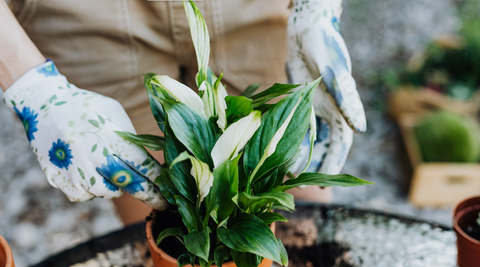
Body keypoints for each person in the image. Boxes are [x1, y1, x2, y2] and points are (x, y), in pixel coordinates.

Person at [0, 0, 366, 225]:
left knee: (295, 199)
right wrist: (31, 86)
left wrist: (317, 6)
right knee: (158, 204)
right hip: (81, 12)